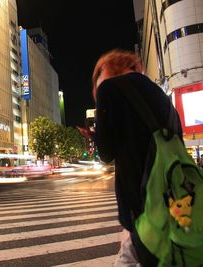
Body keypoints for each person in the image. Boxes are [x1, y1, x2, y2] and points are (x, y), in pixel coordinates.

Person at [91, 49, 183, 266]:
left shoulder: (110, 90)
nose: (97, 85)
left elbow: (106, 153)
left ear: (108, 70)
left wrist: (99, 126)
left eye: (98, 77)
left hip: (140, 202)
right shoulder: (160, 94)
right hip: (175, 197)